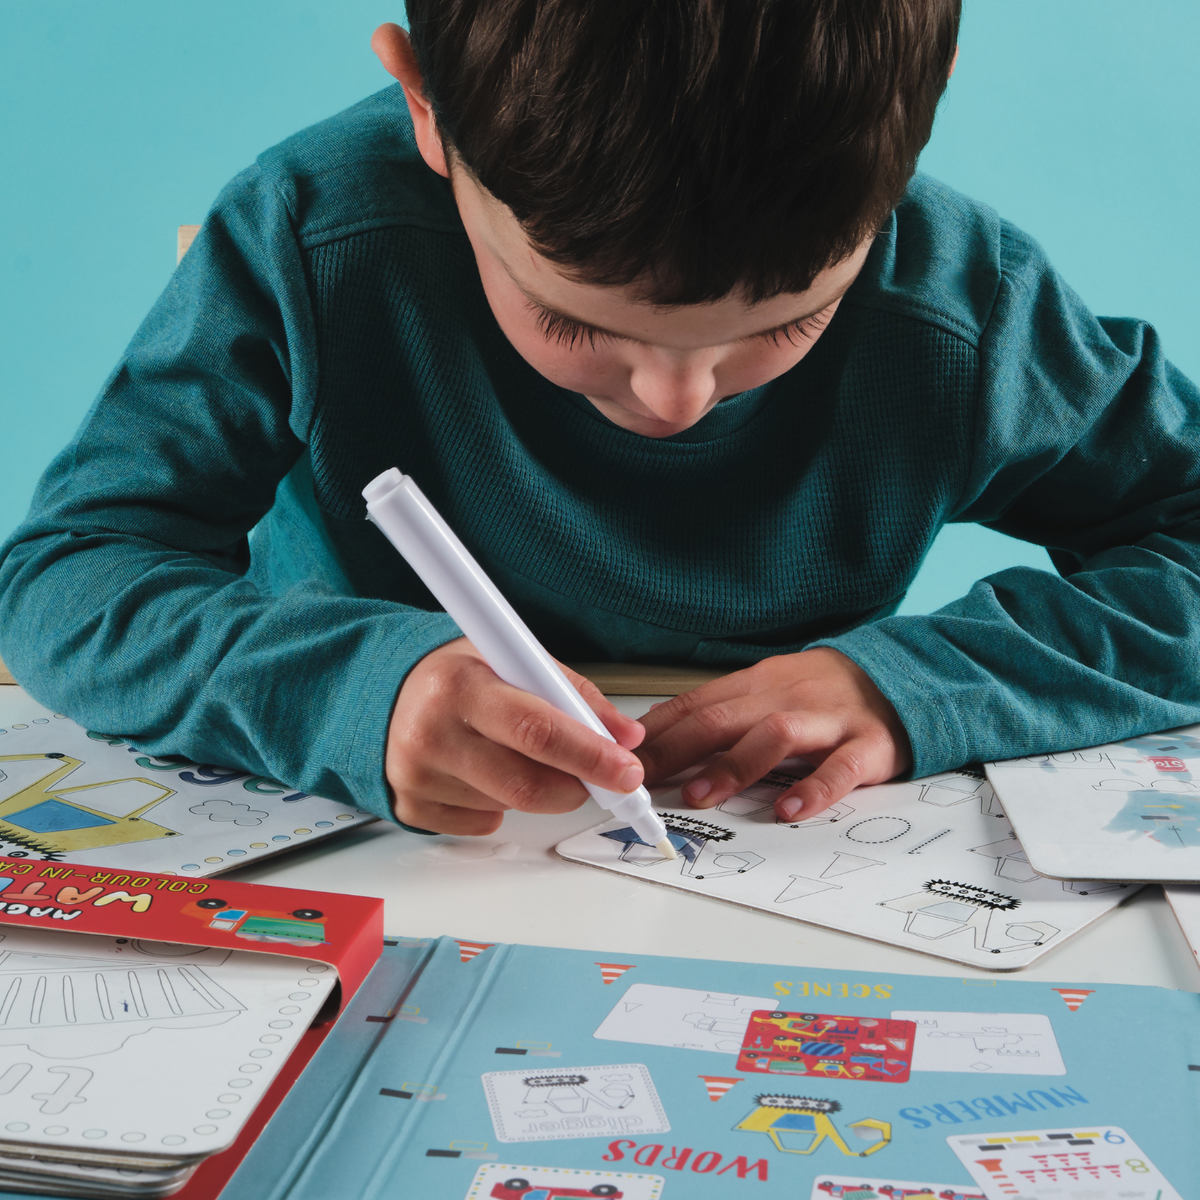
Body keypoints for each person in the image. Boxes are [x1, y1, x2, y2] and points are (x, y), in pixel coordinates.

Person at [2, 0, 1198, 842]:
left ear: (919, 123)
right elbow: (69, 573)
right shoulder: (312, 241)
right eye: (575, 322)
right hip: (392, 855)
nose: (677, 399)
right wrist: (355, 695)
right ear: (429, 109)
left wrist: (914, 687)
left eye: (788, 323)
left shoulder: (966, 306)